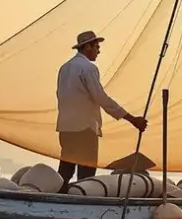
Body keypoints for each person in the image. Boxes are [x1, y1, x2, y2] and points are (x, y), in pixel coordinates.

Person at [55, 31, 146, 190]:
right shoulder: (88, 68)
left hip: (66, 127)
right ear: (87, 47)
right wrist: (132, 119)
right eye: (96, 47)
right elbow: (101, 98)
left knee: (66, 169)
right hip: (85, 128)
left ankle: (58, 197)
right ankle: (83, 199)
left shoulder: (64, 68)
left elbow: (60, 95)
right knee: (86, 174)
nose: (99, 51)